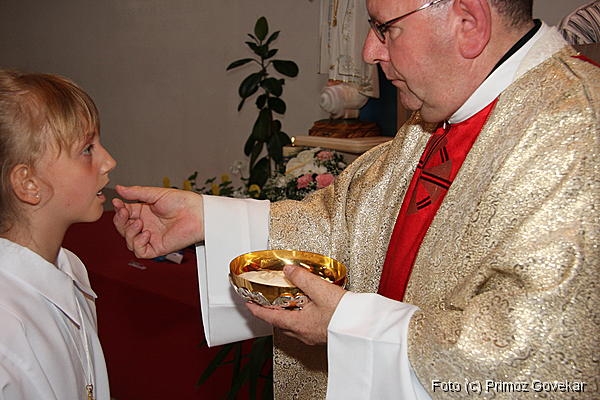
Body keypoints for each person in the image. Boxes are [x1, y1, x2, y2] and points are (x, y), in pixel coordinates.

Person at [113, 0, 599, 398]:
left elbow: (532, 357)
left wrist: (348, 325)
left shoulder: (579, 136)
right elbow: (347, 221)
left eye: (384, 28)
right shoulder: (442, 113)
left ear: (468, 23)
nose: (369, 51)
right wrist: (206, 219)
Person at [0, 70, 116, 399]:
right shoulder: (6, 332)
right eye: (87, 149)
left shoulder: (71, 267)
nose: (109, 161)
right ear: (28, 184)